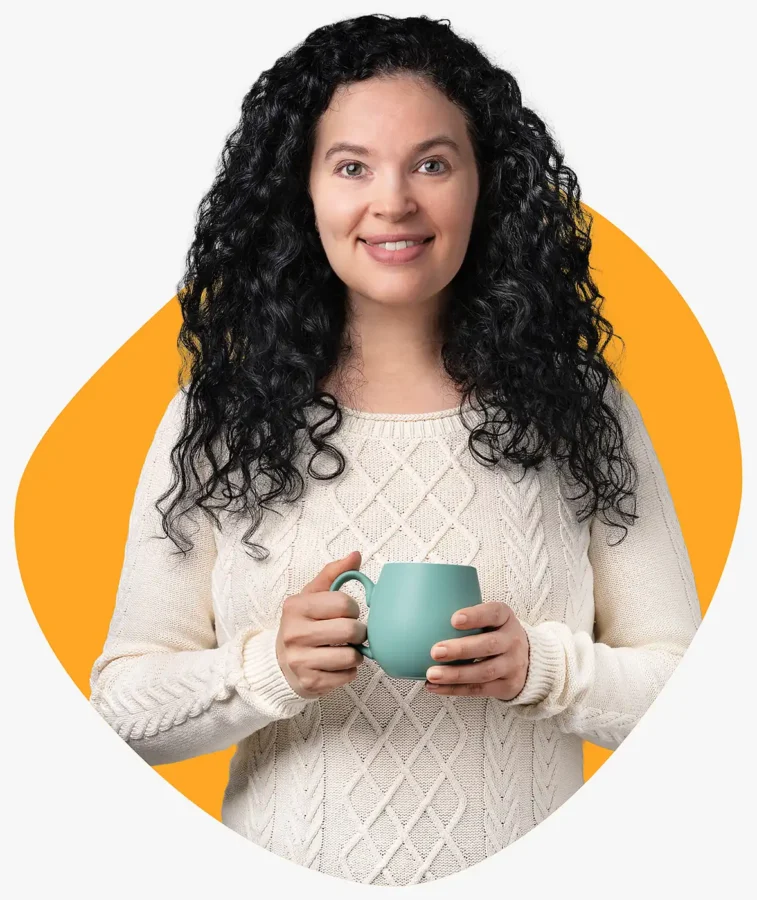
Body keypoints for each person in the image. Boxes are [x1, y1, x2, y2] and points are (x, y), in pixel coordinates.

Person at [88, 13, 701, 887]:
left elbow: (694, 696)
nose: (393, 202)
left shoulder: (579, 408)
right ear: (300, 190)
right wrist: (265, 669)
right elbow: (117, 713)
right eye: (351, 166)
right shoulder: (219, 416)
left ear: (483, 183)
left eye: (432, 163)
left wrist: (545, 669)